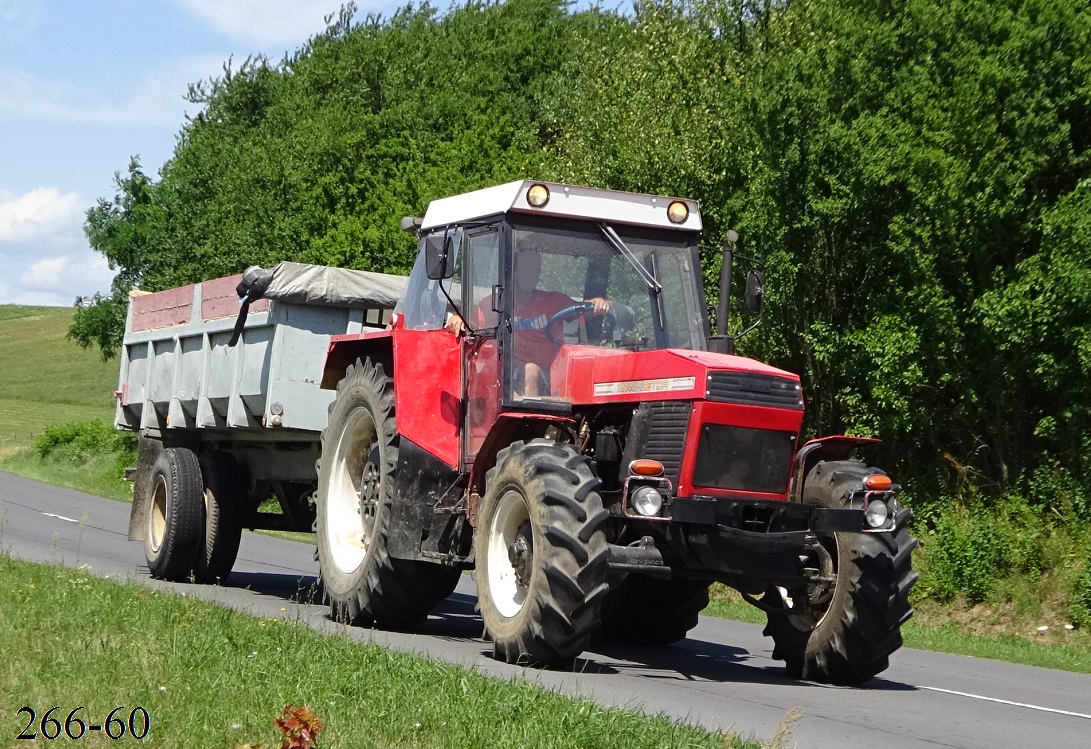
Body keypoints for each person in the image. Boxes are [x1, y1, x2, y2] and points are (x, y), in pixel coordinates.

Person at [446, 249, 609, 397]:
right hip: (512, 377)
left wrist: (596, 303)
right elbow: (470, 324)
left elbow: (583, 309)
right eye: (525, 268)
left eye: (534, 270)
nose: (529, 273)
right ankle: (531, 426)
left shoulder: (554, 301)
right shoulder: (495, 305)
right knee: (530, 370)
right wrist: (458, 319)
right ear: (514, 269)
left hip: (556, 372)